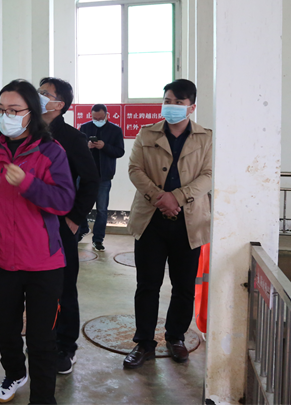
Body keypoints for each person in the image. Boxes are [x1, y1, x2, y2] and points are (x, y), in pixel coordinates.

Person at [0, 79, 75, 405]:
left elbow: (64, 201)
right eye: (1, 110)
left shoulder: (51, 151)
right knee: (5, 329)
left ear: (32, 113)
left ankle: (43, 399)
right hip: (0, 258)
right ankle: (15, 373)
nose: (7, 116)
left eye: (14, 110)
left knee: (42, 339)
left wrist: (28, 183)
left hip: (43, 261)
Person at [123, 79, 213, 369]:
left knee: (184, 286)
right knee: (147, 285)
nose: (171, 106)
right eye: (168, 101)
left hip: (189, 221)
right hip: (151, 220)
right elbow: (134, 169)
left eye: (178, 102)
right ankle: (144, 343)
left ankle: (176, 337)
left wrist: (178, 197)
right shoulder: (146, 133)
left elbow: (209, 174)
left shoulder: (206, 138)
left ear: (191, 107)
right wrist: (159, 197)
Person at [37, 77, 99, 375]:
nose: (38, 96)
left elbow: (91, 180)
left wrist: (74, 218)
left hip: (61, 225)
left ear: (59, 104)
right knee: (38, 287)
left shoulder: (72, 138)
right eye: (38, 92)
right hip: (31, 223)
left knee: (64, 287)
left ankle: (65, 346)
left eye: (44, 93)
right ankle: (42, 340)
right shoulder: (27, 131)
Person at [77, 104, 125, 251]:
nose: (97, 120)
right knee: (79, 204)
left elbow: (120, 151)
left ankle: (98, 239)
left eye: (100, 118)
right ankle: (82, 229)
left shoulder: (115, 130)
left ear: (106, 115)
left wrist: (104, 146)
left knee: (102, 209)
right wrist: (86, 146)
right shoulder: (85, 128)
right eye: (94, 118)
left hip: (104, 176)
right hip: (85, 174)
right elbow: (76, 149)